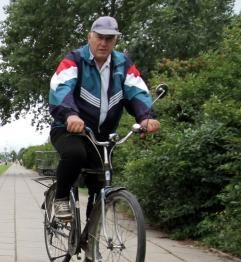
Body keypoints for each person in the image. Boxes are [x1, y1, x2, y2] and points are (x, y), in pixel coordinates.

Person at [48, 15, 160, 220]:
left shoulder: (122, 64)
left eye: (109, 38)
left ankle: (91, 240)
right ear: (89, 36)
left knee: (101, 185)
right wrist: (70, 114)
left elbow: (137, 90)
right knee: (75, 154)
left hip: (103, 135)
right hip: (69, 129)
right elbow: (61, 87)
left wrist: (145, 117)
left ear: (115, 40)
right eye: (99, 37)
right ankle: (61, 198)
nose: (103, 43)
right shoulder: (74, 60)